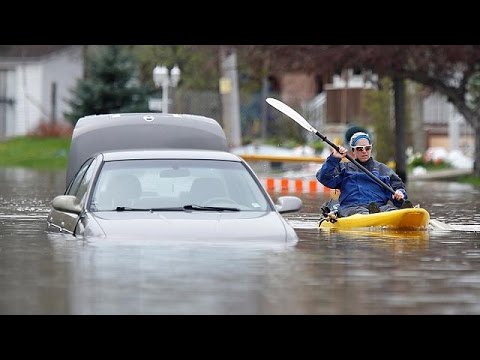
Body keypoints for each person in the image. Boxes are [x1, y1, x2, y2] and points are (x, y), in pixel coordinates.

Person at [317, 131, 412, 217]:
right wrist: (334, 158)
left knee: (389, 210)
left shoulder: (384, 170)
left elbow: (398, 188)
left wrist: (400, 193)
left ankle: (379, 214)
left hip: (380, 209)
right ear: (353, 151)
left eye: (367, 148)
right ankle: (371, 215)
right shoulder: (343, 169)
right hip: (351, 208)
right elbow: (324, 178)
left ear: (371, 148)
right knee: (360, 212)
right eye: (359, 149)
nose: (364, 151)